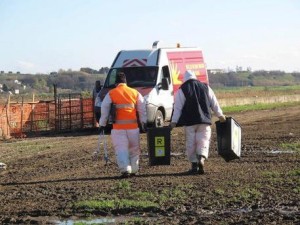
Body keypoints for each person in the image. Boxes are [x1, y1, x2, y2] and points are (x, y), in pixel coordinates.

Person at [170, 70, 226, 175]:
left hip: (190, 122)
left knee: (191, 143)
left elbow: (177, 108)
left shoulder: (182, 90)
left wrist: (173, 122)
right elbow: (214, 103)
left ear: (184, 79)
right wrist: (220, 115)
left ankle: (194, 165)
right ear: (195, 77)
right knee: (203, 140)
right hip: (205, 121)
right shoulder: (206, 87)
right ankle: (202, 158)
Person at [99, 72, 147, 178]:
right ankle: (134, 169)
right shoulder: (135, 92)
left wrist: (102, 124)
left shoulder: (112, 93)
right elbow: (142, 109)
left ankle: (125, 170)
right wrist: (144, 123)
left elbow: (105, 108)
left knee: (121, 149)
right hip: (133, 128)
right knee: (134, 149)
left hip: (118, 129)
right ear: (126, 82)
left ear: (116, 83)